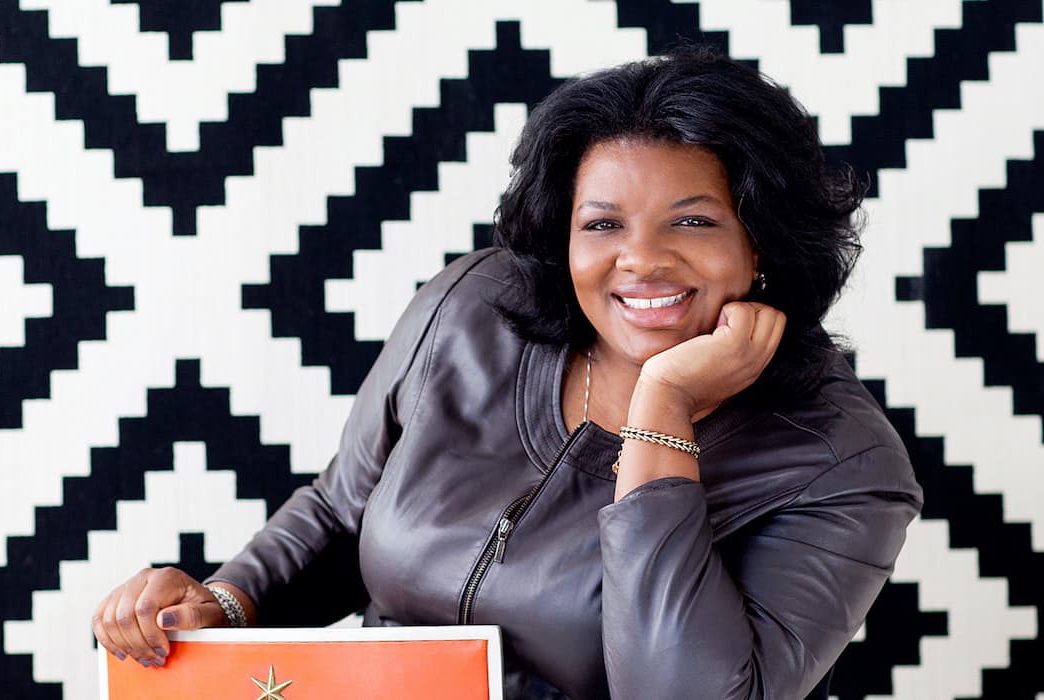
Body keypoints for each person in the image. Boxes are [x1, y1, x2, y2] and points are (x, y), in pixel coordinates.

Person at [92, 46, 923, 699]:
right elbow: (346, 511)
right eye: (602, 223)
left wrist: (663, 409)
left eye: (694, 221)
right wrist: (225, 605)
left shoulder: (840, 464)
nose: (641, 260)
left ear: (765, 240)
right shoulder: (475, 306)